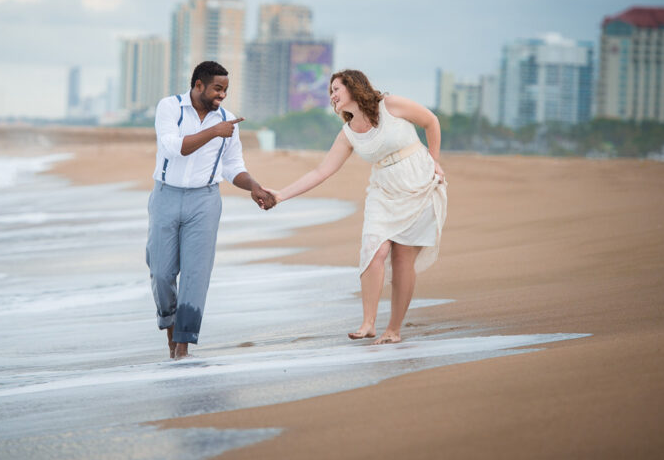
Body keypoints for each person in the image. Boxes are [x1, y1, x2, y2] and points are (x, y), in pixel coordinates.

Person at [265, 69, 447, 345]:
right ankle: (368, 323)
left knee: (402, 259)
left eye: (336, 89)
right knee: (374, 248)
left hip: (417, 182)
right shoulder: (348, 133)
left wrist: (433, 160)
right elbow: (321, 172)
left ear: (353, 87)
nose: (333, 96)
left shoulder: (390, 104)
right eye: (331, 92)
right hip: (383, 190)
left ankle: (393, 330)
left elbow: (430, 121)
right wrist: (280, 195)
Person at [146, 60, 276, 359]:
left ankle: (183, 346)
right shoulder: (170, 107)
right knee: (161, 273)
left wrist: (254, 186)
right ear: (199, 85)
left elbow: (233, 167)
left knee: (196, 274)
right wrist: (215, 131)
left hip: (205, 201)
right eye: (218, 88)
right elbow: (173, 147)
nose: (223, 95)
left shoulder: (227, 121)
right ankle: (170, 330)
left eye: (226, 89)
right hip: (166, 196)